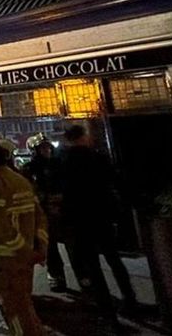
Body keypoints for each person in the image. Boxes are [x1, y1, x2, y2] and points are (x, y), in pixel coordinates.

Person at [58, 125, 138, 328]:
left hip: (79, 221)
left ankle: (107, 313)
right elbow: (117, 182)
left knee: (93, 267)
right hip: (102, 217)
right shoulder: (98, 158)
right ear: (82, 137)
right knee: (114, 260)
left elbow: (62, 194)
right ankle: (130, 301)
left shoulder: (64, 162)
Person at [0, 142, 47, 336]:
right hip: (27, 257)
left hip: (8, 257)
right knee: (25, 304)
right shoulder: (21, 180)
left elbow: (0, 225)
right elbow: (40, 217)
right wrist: (40, 248)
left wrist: (23, 251)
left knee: (13, 308)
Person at [23, 132, 68, 291]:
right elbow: (30, 190)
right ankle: (56, 276)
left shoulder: (58, 164)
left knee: (73, 244)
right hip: (44, 212)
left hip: (63, 209)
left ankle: (85, 277)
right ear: (35, 150)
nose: (46, 150)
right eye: (43, 148)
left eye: (47, 147)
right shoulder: (30, 169)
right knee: (50, 245)